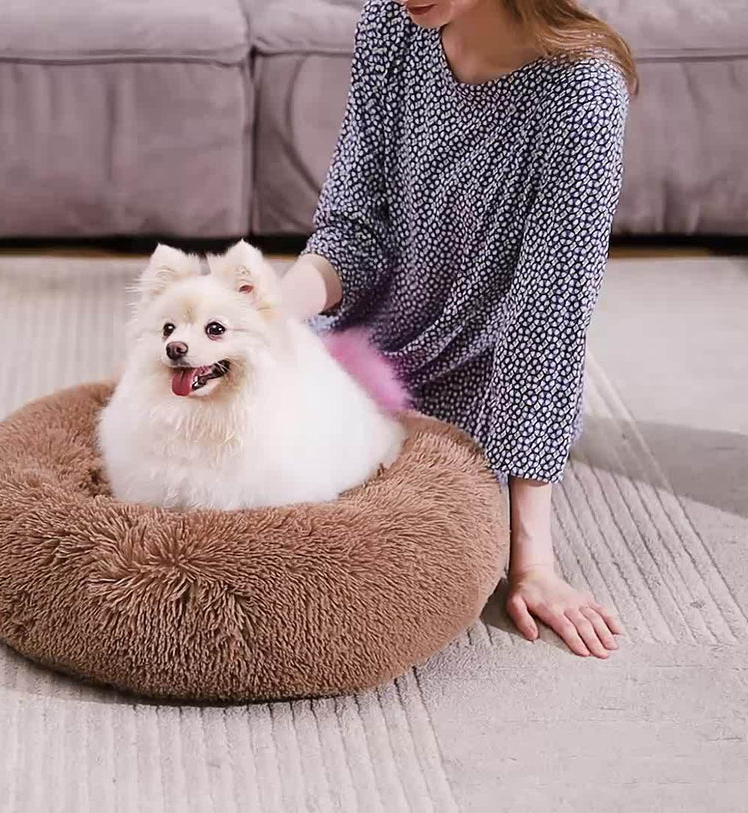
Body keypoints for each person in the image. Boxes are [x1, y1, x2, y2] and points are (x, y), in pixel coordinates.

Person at [280, 0, 635, 658]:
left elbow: (546, 325)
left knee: (353, 551)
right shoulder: (393, 23)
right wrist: (273, 306)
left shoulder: (582, 93)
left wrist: (529, 560)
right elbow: (354, 227)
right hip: (353, 349)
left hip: (470, 388)